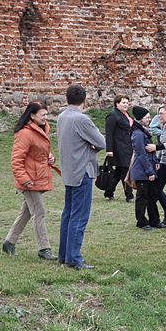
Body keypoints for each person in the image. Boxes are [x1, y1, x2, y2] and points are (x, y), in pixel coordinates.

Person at [56, 84, 106, 269]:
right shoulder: (82, 119)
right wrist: (92, 145)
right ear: (85, 100)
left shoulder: (61, 117)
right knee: (79, 215)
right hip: (82, 171)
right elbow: (101, 142)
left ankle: (64, 254)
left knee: (68, 214)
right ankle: (74, 257)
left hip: (69, 170)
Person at [3, 100, 58, 260]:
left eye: (46, 114)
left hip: (38, 177)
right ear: (32, 115)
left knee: (26, 213)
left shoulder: (42, 129)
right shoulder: (25, 134)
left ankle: (9, 242)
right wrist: (23, 179)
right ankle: (44, 248)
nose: (45, 118)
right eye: (42, 115)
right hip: (29, 181)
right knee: (39, 213)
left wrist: (50, 157)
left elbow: (41, 151)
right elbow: (16, 160)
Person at [129, 106, 161, 230]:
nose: (149, 119)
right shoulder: (137, 134)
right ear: (141, 119)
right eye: (147, 117)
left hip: (148, 168)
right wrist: (149, 171)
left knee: (152, 196)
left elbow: (149, 149)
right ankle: (141, 221)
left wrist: (156, 161)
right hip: (142, 171)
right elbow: (141, 154)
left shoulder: (142, 132)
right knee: (142, 198)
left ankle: (154, 220)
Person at [103, 94, 135, 202]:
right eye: (123, 103)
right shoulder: (113, 116)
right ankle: (129, 195)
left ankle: (109, 192)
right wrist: (109, 150)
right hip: (118, 149)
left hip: (127, 147)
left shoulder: (126, 114)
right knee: (125, 171)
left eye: (127, 103)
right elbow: (109, 133)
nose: (126, 105)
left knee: (117, 173)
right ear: (117, 104)